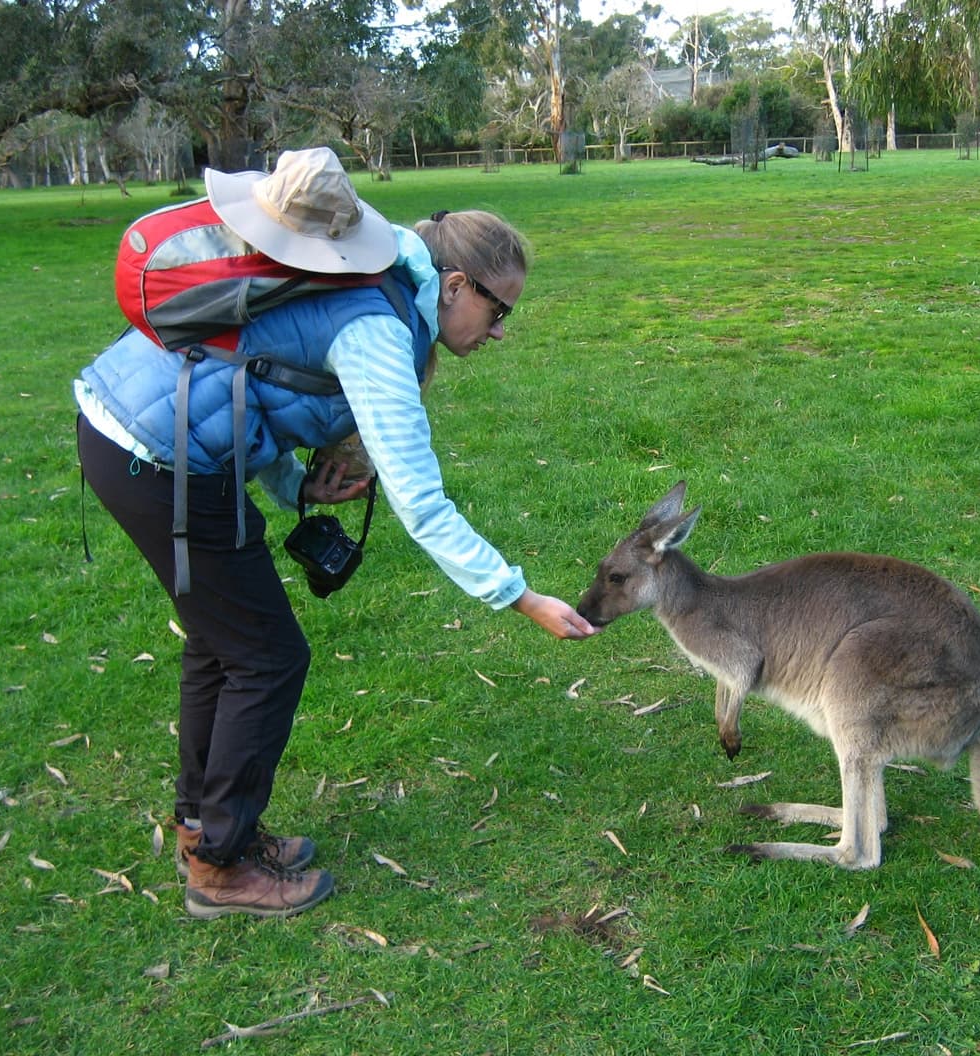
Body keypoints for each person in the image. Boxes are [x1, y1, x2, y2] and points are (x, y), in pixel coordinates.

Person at [74, 147, 596, 920]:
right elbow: (422, 503)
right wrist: (520, 597)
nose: (499, 332)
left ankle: (211, 828)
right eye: (499, 310)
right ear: (454, 287)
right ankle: (218, 865)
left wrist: (297, 488)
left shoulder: (373, 285)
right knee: (266, 657)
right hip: (154, 455)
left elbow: (252, 382)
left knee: (224, 647)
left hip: (147, 441)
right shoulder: (378, 329)